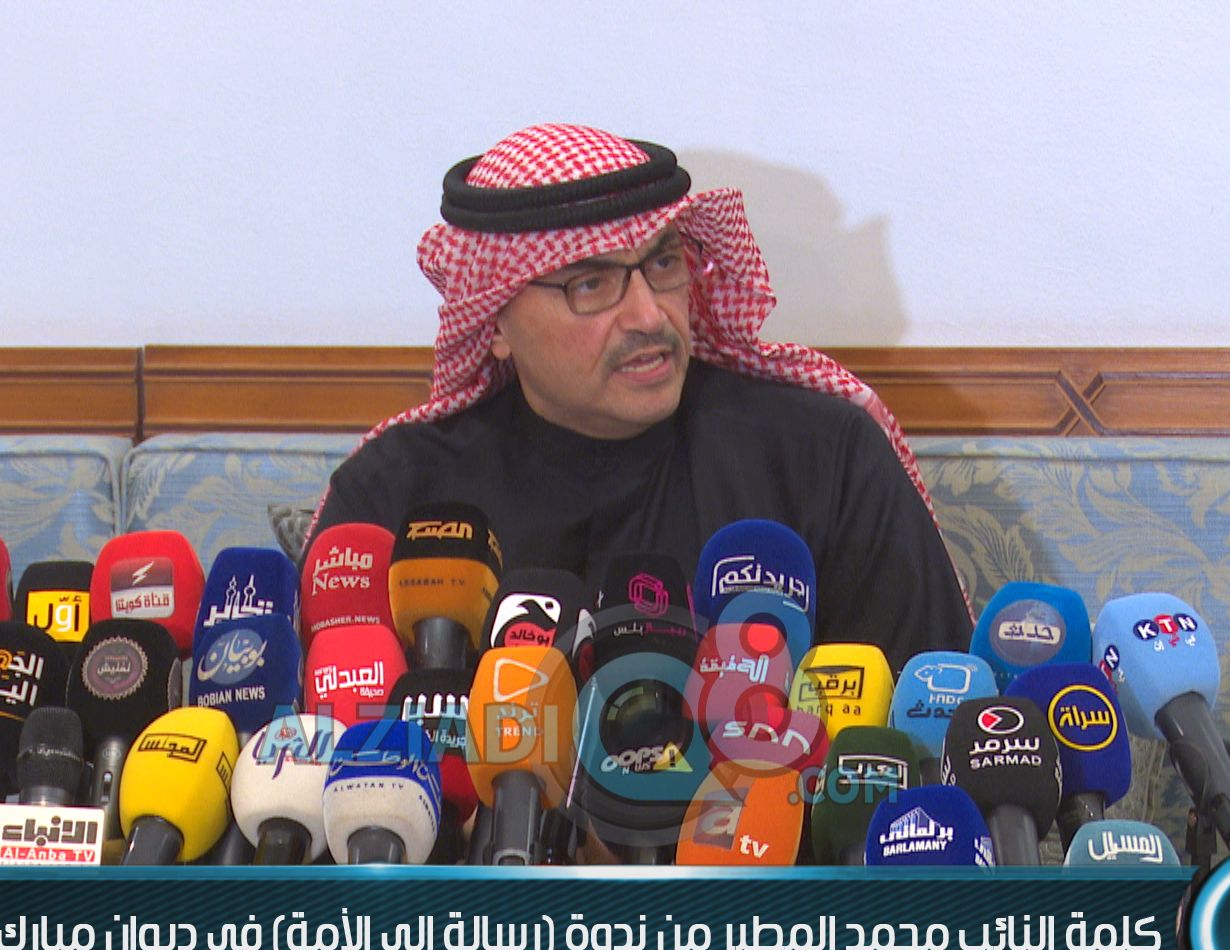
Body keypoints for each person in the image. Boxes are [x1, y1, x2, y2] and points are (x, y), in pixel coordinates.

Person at [312, 123, 971, 670]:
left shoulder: (824, 460)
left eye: (662, 264)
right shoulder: (394, 492)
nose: (650, 315)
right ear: (496, 322)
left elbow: (928, 728)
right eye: (591, 284)